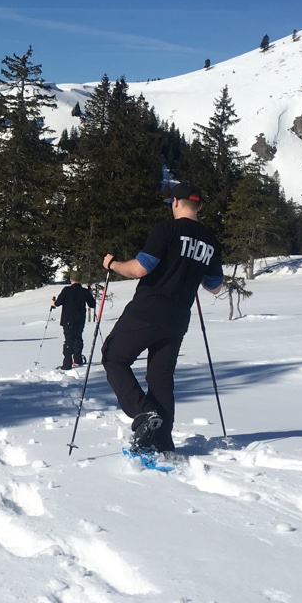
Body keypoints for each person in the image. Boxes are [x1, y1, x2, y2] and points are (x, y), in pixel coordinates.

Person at [100, 181, 224, 454]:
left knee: (113, 357)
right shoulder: (211, 240)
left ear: (176, 203)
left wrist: (112, 264)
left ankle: (143, 414)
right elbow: (215, 286)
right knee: (161, 376)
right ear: (199, 206)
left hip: (147, 310)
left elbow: (140, 269)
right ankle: (162, 443)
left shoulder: (166, 230)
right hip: (178, 318)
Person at [52, 271, 96, 370]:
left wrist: (53, 303)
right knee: (78, 338)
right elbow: (92, 304)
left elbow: (58, 303)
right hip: (80, 320)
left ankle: (67, 363)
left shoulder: (66, 290)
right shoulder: (84, 291)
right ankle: (78, 359)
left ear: (71, 279)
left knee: (69, 339)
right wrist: (90, 294)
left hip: (68, 319)